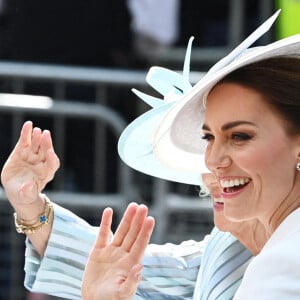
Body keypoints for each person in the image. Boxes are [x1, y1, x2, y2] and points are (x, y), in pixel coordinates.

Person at [2, 9, 299, 299]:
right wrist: (31, 207)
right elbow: (139, 270)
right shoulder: (231, 247)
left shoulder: (284, 260)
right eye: (207, 138)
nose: (212, 164)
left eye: (239, 137)